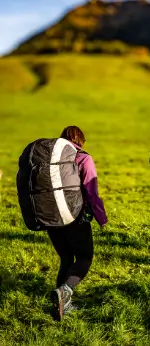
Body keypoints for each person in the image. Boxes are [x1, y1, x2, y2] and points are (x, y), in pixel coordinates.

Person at [49, 126, 108, 321]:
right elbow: (91, 192)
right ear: (80, 141)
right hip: (75, 218)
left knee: (66, 258)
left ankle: (59, 305)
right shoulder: (83, 158)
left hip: (51, 218)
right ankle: (65, 291)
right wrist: (102, 218)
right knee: (84, 257)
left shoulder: (51, 159)